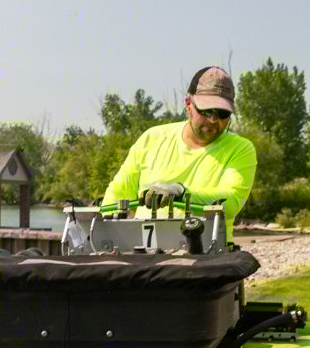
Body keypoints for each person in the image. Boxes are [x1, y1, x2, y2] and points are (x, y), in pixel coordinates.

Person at [100, 66, 257, 241]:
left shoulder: (242, 149)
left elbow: (232, 202)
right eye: (206, 110)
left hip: (209, 256)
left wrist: (181, 191)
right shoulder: (151, 138)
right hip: (144, 255)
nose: (213, 120)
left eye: (222, 113)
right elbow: (117, 195)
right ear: (188, 105)